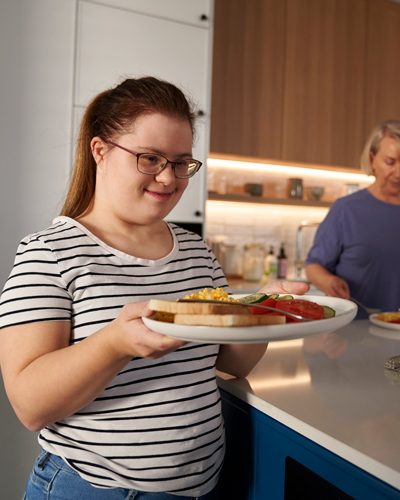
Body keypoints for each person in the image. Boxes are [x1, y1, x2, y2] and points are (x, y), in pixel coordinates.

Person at [0, 76, 309, 500]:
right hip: (94, 491)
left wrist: (265, 308)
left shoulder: (196, 251)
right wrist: (114, 343)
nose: (168, 178)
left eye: (181, 162)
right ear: (100, 151)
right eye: (150, 158)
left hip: (200, 488)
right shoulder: (49, 253)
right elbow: (30, 405)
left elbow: (233, 364)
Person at [304, 119, 400, 319]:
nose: (398, 173)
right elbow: (314, 266)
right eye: (390, 162)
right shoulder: (346, 209)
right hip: (354, 328)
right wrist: (328, 281)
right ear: (372, 159)